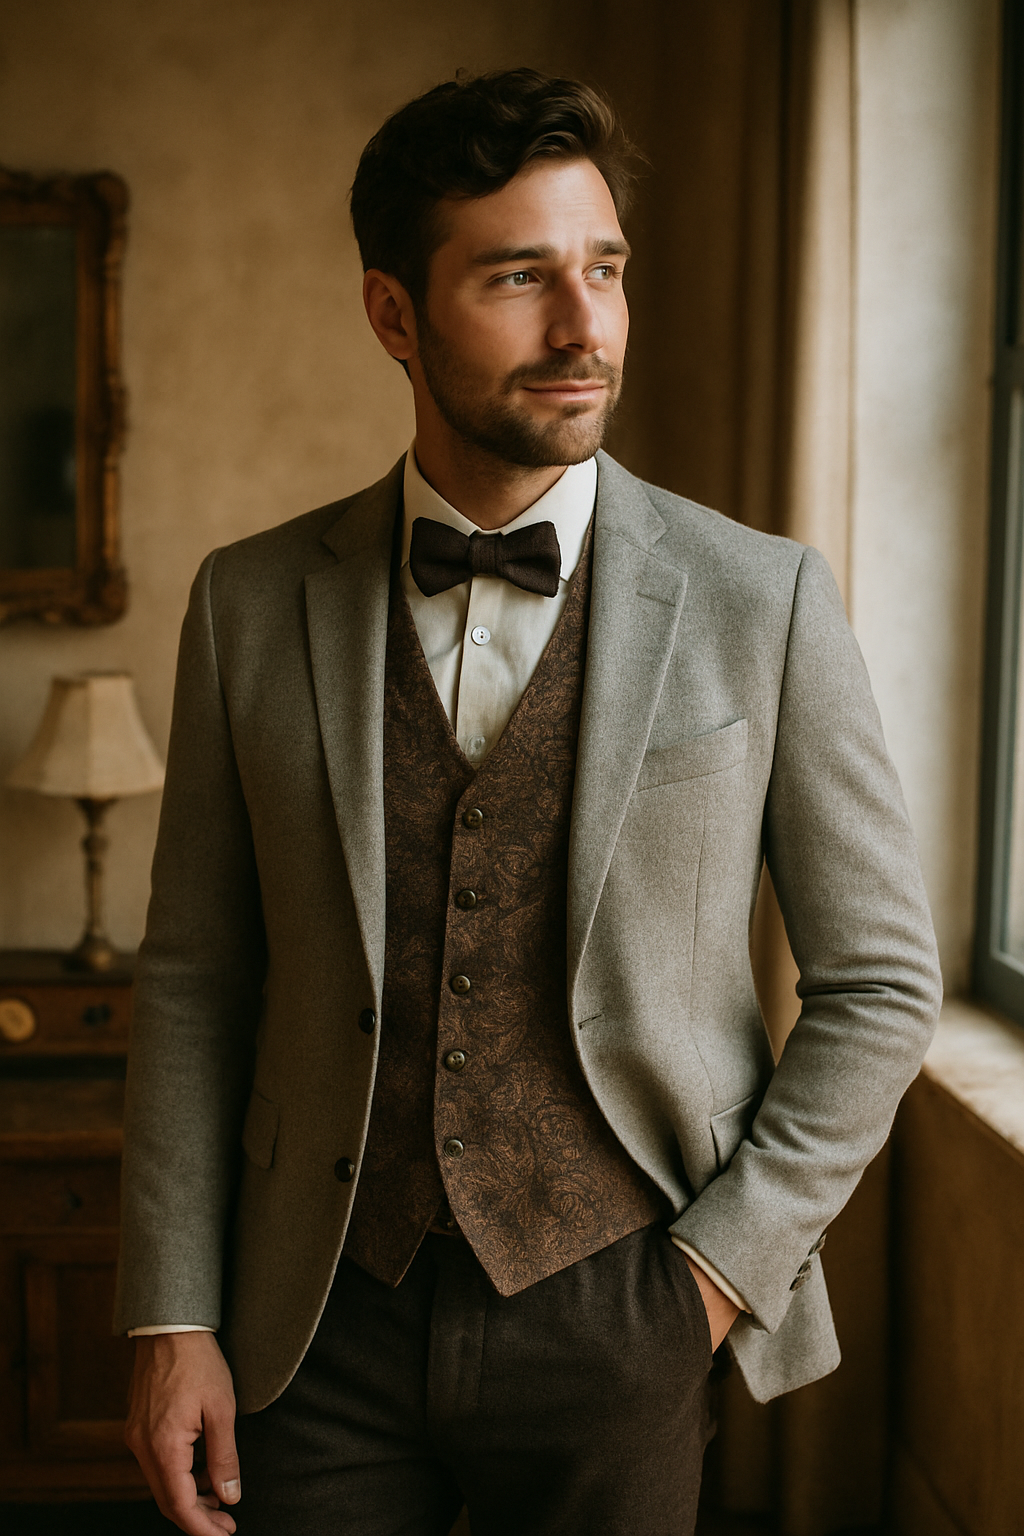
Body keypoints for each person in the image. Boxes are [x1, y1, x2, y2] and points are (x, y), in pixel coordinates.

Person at [116, 68, 942, 1536]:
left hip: (623, 1310)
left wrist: (710, 1277)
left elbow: (881, 983)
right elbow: (196, 982)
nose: (587, 329)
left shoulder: (764, 600)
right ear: (393, 315)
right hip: (316, 1320)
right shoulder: (249, 605)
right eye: (519, 277)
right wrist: (171, 1311)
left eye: (605, 269)